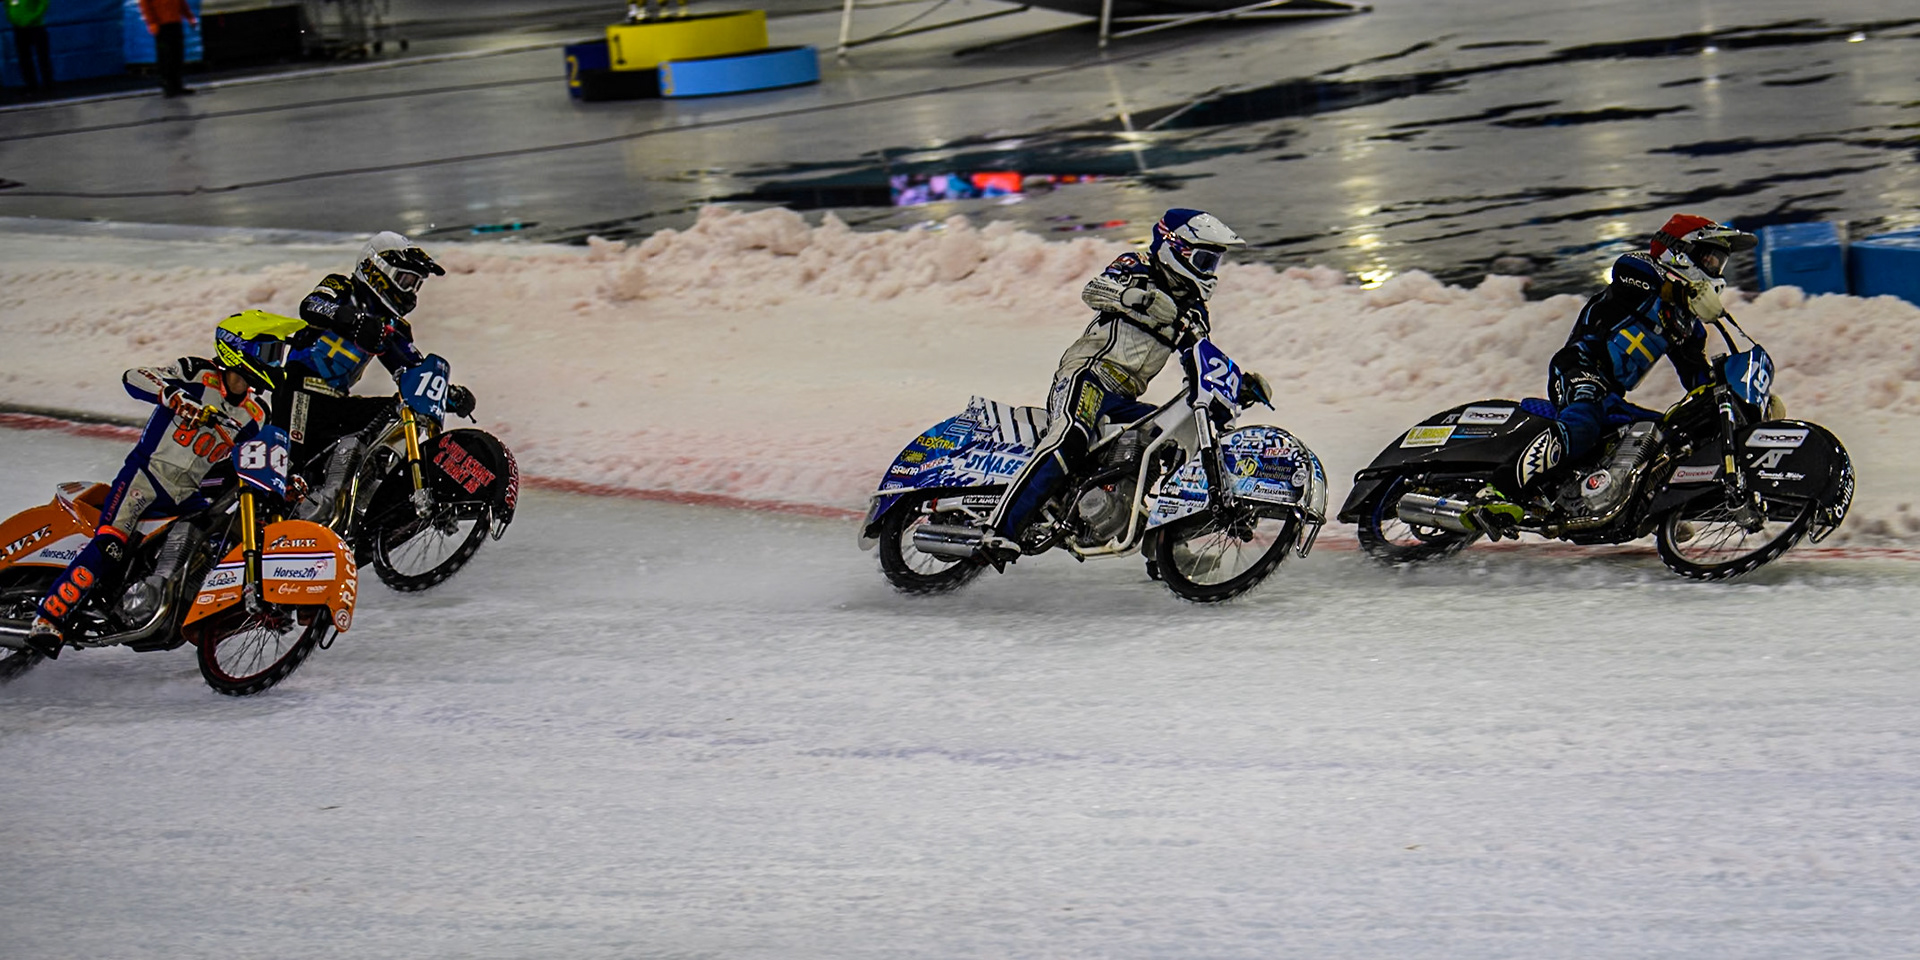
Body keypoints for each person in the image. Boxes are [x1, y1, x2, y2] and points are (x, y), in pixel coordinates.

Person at [979, 207, 1267, 561]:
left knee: (1169, 440)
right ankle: (999, 531)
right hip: (1088, 376)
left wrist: (1234, 385)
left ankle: (1165, 550)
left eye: (1214, 263)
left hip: (1124, 397)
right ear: (1175, 248)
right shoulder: (1138, 266)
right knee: (1069, 440)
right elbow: (1095, 290)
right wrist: (1138, 297)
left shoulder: (1193, 310)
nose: (1210, 271)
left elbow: (1198, 360)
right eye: (1204, 259)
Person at [1470, 213, 1757, 537]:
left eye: (1719, 262)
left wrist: (1731, 398)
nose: (1715, 269)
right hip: (1579, 366)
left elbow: (1696, 379)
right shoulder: (1639, 270)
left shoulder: (1686, 327)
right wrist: (1681, 293)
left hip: (1611, 393)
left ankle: (1644, 506)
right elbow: (1630, 274)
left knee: (1663, 435)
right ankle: (1498, 491)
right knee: (1584, 422)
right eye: (1709, 258)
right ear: (1681, 252)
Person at [25, 335, 279, 658]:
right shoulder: (195, 372)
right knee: (110, 547)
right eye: (269, 353)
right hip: (144, 479)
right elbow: (133, 377)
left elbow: (254, 456)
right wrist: (172, 396)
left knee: (216, 538)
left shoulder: (257, 415)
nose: (274, 361)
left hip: (187, 494)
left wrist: (284, 475)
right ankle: (47, 619)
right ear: (240, 353)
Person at [257, 231, 469, 521]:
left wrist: (447, 394)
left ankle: (362, 492)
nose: (410, 292)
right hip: (299, 389)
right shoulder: (341, 287)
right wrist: (353, 320)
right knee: (291, 464)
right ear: (378, 269)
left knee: (397, 411)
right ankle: (268, 513)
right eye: (406, 281)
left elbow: (412, 371)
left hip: (337, 401)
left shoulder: (395, 328)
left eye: (416, 285)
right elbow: (311, 306)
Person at [137, 0, 196, 97]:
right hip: (162, 26)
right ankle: (168, 85)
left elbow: (181, 3)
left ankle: (177, 84)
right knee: (166, 55)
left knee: (177, 54)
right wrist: (152, 22)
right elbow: (145, 6)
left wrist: (189, 17)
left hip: (175, 23)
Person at [6, 0, 53, 96]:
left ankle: (48, 84)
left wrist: (32, 18)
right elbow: (7, 6)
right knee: (24, 58)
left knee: (42, 57)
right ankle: (31, 85)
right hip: (19, 28)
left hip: (36, 27)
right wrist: (13, 18)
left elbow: (43, 4)